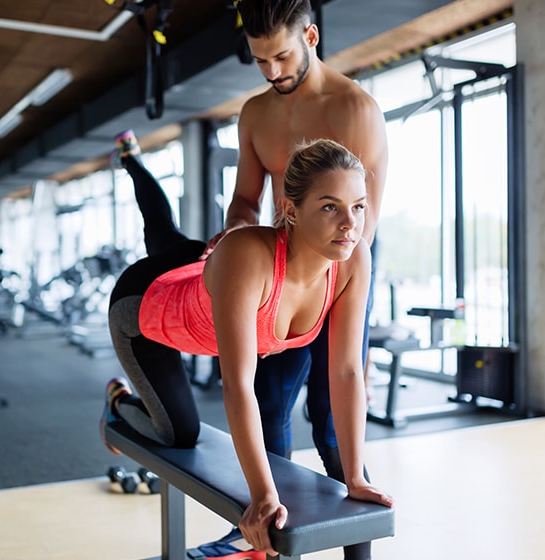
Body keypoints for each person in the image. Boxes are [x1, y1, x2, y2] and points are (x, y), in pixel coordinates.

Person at [101, 130, 394, 557]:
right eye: (330, 207)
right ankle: (115, 402)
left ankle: (132, 162)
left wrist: (356, 478)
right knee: (180, 434)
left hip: (204, 278)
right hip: (144, 310)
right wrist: (262, 495)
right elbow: (238, 384)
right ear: (291, 210)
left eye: (359, 207)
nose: (350, 224)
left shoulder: (352, 259)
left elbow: (347, 372)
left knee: (167, 235)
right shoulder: (248, 256)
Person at [203, 2, 389, 558]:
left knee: (331, 420)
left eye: (282, 55)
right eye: (260, 60)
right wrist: (233, 241)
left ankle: (357, 535)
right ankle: (266, 530)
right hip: (278, 274)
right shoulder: (256, 113)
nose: (272, 71)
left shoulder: (355, 108)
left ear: (310, 35)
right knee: (269, 402)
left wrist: (326, 291)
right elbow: (245, 200)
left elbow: (359, 223)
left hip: (340, 272)